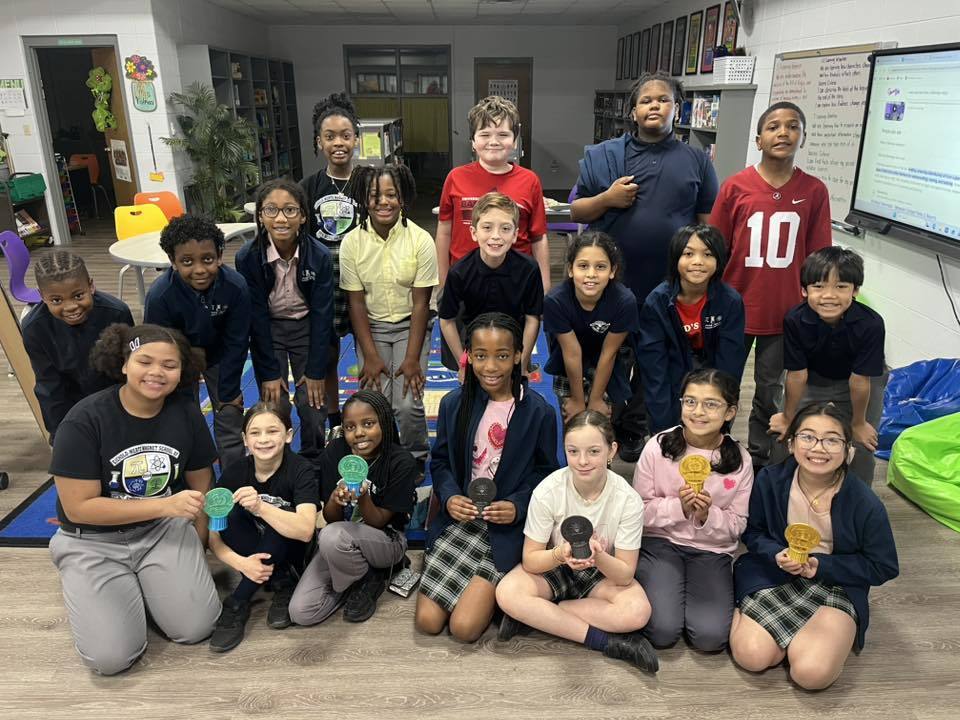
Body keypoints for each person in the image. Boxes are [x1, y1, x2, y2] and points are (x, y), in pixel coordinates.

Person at [48, 323, 221, 675]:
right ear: (124, 363)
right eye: (145, 361)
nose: (157, 372)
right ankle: (91, 579)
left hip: (161, 531)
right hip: (92, 541)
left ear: (182, 372)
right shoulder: (83, 420)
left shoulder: (186, 412)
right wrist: (165, 505)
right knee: (110, 660)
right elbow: (78, 507)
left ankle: (145, 584)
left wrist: (198, 546)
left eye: (169, 366)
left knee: (196, 629)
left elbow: (202, 484)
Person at [572, 71, 719, 459]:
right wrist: (607, 198)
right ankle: (607, 423)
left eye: (663, 99)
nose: (654, 105)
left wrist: (702, 277)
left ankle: (635, 427)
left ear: (677, 108)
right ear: (633, 111)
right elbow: (577, 209)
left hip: (670, 285)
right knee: (611, 356)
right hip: (613, 283)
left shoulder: (696, 161)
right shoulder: (605, 154)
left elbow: (707, 227)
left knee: (655, 357)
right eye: (646, 100)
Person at [730, 402, 898, 690]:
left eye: (832, 440)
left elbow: (883, 566)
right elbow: (754, 532)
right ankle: (791, 636)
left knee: (811, 674)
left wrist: (822, 565)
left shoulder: (864, 503)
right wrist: (776, 554)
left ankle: (809, 640)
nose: (818, 448)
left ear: (849, 451)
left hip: (836, 582)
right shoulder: (770, 480)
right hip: (775, 572)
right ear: (792, 444)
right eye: (808, 437)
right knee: (752, 656)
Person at [415, 313, 559, 642]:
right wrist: (450, 496)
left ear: (519, 355)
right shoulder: (454, 404)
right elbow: (440, 462)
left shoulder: (539, 413)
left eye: (502, 356)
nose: (490, 367)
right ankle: (493, 594)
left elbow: (546, 473)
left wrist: (517, 505)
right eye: (480, 356)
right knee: (428, 621)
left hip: (505, 530)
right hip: (461, 521)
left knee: (464, 629)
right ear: (468, 355)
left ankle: (507, 598)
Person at [710, 101, 832, 471]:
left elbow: (819, 255)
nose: (783, 133)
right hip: (736, 306)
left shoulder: (813, 190)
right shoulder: (735, 187)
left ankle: (761, 454)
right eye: (774, 127)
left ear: (802, 137)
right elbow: (715, 246)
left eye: (792, 126)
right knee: (722, 383)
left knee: (769, 388)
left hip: (785, 312)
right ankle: (718, 445)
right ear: (758, 139)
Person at [496, 411, 658, 673]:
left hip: (602, 575)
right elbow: (531, 559)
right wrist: (560, 553)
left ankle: (543, 616)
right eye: (573, 451)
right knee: (507, 592)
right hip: (556, 565)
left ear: (611, 451)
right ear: (565, 451)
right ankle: (602, 640)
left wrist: (599, 556)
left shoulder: (628, 500)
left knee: (638, 611)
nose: (582, 461)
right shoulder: (548, 490)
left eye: (594, 451)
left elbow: (625, 574)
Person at [632, 368, 753, 651]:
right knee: (662, 631)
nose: (698, 412)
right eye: (690, 401)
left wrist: (706, 515)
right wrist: (679, 508)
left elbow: (738, 524)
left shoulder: (740, 460)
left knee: (710, 638)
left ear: (730, 412)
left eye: (711, 404)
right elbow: (638, 511)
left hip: (712, 551)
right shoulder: (657, 447)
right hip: (660, 543)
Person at [289, 390, 417, 626]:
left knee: (330, 537)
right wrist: (335, 501)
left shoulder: (400, 461)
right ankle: (363, 577)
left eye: (368, 424)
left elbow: (378, 522)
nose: (359, 433)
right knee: (302, 612)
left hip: (386, 540)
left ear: (385, 423)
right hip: (340, 540)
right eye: (350, 427)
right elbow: (329, 517)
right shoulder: (335, 453)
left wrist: (363, 496)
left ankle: (372, 576)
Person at [341, 164, 438, 465]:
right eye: (374, 196)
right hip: (372, 328)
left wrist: (411, 359)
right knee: (376, 403)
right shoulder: (351, 243)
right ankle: (381, 458)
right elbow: (356, 304)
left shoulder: (420, 240)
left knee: (407, 403)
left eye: (391, 194)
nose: (383, 202)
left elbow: (421, 304)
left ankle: (415, 458)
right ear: (363, 199)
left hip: (413, 326)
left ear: (402, 198)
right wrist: (370, 356)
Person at [235, 178, 334, 462]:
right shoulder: (248, 257)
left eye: (290, 210)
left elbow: (323, 315)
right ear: (260, 216)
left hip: (307, 327)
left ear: (303, 216)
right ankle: (279, 461)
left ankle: (314, 457)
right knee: (274, 402)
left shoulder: (320, 256)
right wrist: (267, 371)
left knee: (312, 402)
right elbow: (256, 316)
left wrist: (316, 371)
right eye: (271, 210)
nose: (281, 218)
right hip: (269, 329)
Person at [769, 247, 886, 484]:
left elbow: (860, 380)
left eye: (841, 286)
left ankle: (858, 500)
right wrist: (789, 416)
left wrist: (859, 423)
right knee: (785, 434)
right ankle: (777, 491)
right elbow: (797, 374)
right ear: (804, 290)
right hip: (811, 379)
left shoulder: (871, 324)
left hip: (858, 383)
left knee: (863, 443)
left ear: (855, 290)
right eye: (819, 286)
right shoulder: (795, 319)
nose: (829, 295)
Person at [207, 402, 318, 653]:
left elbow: (305, 530)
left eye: (273, 431)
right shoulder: (234, 473)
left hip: (293, 551)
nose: (264, 439)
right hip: (253, 550)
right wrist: (240, 564)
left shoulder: (301, 469)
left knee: (284, 517)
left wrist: (260, 507)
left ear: (288, 435)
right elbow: (212, 535)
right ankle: (281, 580)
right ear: (245, 440)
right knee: (230, 514)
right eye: (255, 433)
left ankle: (238, 600)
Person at [145, 215, 251, 469]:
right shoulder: (160, 296)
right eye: (187, 262)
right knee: (182, 417)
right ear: (172, 262)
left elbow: (237, 342)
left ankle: (234, 476)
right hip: (178, 361)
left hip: (220, 355)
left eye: (208, 259)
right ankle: (192, 475)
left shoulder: (236, 287)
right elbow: (159, 348)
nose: (200, 269)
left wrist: (228, 392)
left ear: (220, 255)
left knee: (229, 414)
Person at [637, 224, 745, 434]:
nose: (697, 262)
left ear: (719, 261)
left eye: (707, 254)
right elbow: (654, 370)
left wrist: (717, 419)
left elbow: (729, 367)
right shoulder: (657, 302)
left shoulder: (730, 302)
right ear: (675, 259)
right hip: (671, 378)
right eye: (688, 253)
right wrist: (664, 429)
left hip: (711, 378)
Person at [436, 95, 550, 291]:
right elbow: (444, 232)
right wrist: (443, 281)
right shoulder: (455, 178)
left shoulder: (530, 181)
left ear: (515, 141)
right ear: (473, 141)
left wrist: (544, 285)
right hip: (464, 281)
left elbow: (538, 237)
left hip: (516, 282)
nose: (494, 141)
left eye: (503, 134)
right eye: (485, 134)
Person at [22, 250, 133, 443]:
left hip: (116, 398)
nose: (71, 306)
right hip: (72, 404)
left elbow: (130, 368)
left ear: (91, 286)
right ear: (42, 296)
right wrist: (59, 433)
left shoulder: (117, 312)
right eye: (56, 300)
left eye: (78, 295)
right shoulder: (34, 328)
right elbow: (49, 385)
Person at [300, 92, 362, 435]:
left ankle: (370, 412)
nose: (338, 143)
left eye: (345, 135)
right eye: (329, 136)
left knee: (368, 351)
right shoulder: (309, 187)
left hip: (362, 281)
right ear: (318, 142)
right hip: (324, 285)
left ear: (356, 139)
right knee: (326, 354)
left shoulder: (367, 182)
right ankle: (335, 419)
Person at [439, 192, 543, 377]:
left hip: (512, 339)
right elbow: (446, 320)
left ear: (515, 235)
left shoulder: (529, 269)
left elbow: (532, 318)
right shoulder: (459, 272)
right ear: (474, 232)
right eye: (487, 227)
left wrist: (522, 363)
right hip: (473, 340)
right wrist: (462, 363)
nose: (496, 236)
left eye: (505, 229)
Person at [543, 231, 638, 423]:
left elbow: (609, 353)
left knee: (601, 417)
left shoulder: (625, 301)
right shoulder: (555, 301)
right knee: (571, 416)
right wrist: (578, 400)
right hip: (567, 363)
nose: (591, 274)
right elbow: (572, 352)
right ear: (570, 269)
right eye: (583, 266)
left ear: (612, 271)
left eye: (601, 267)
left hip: (606, 363)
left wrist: (595, 399)